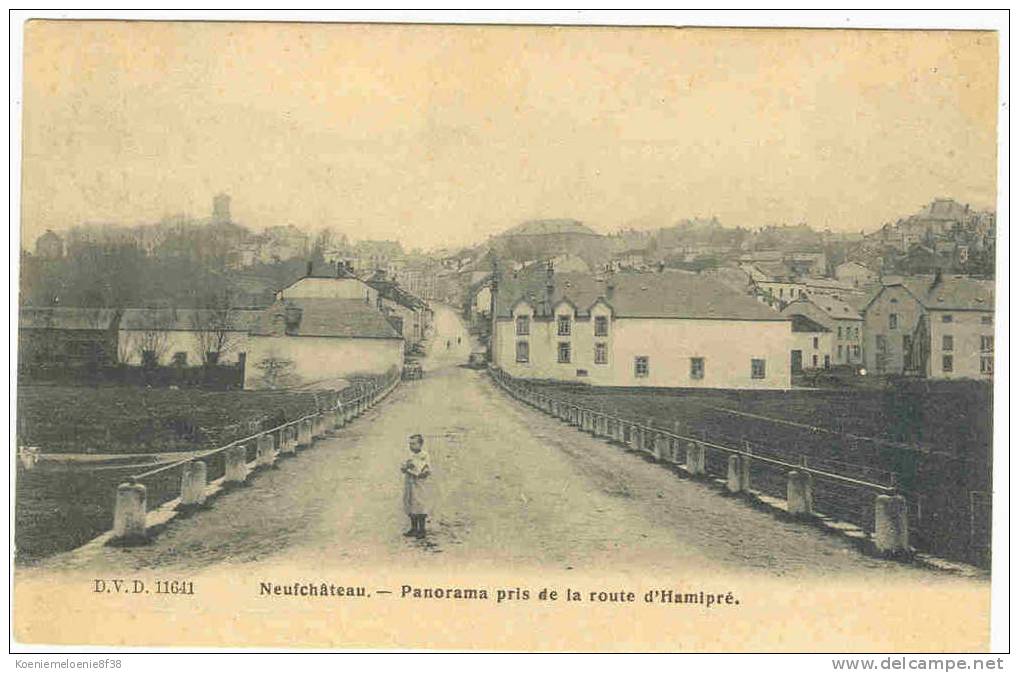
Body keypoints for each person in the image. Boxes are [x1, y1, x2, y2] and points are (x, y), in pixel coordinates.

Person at [401, 434, 431, 538]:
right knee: (411, 504)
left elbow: (426, 470)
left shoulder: (424, 455)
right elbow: (404, 467)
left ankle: (422, 529)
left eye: (414, 444)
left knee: (420, 505)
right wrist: (405, 468)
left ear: (420, 444)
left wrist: (415, 470)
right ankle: (413, 528)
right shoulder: (410, 456)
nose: (411, 446)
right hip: (410, 484)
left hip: (420, 485)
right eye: (410, 444)